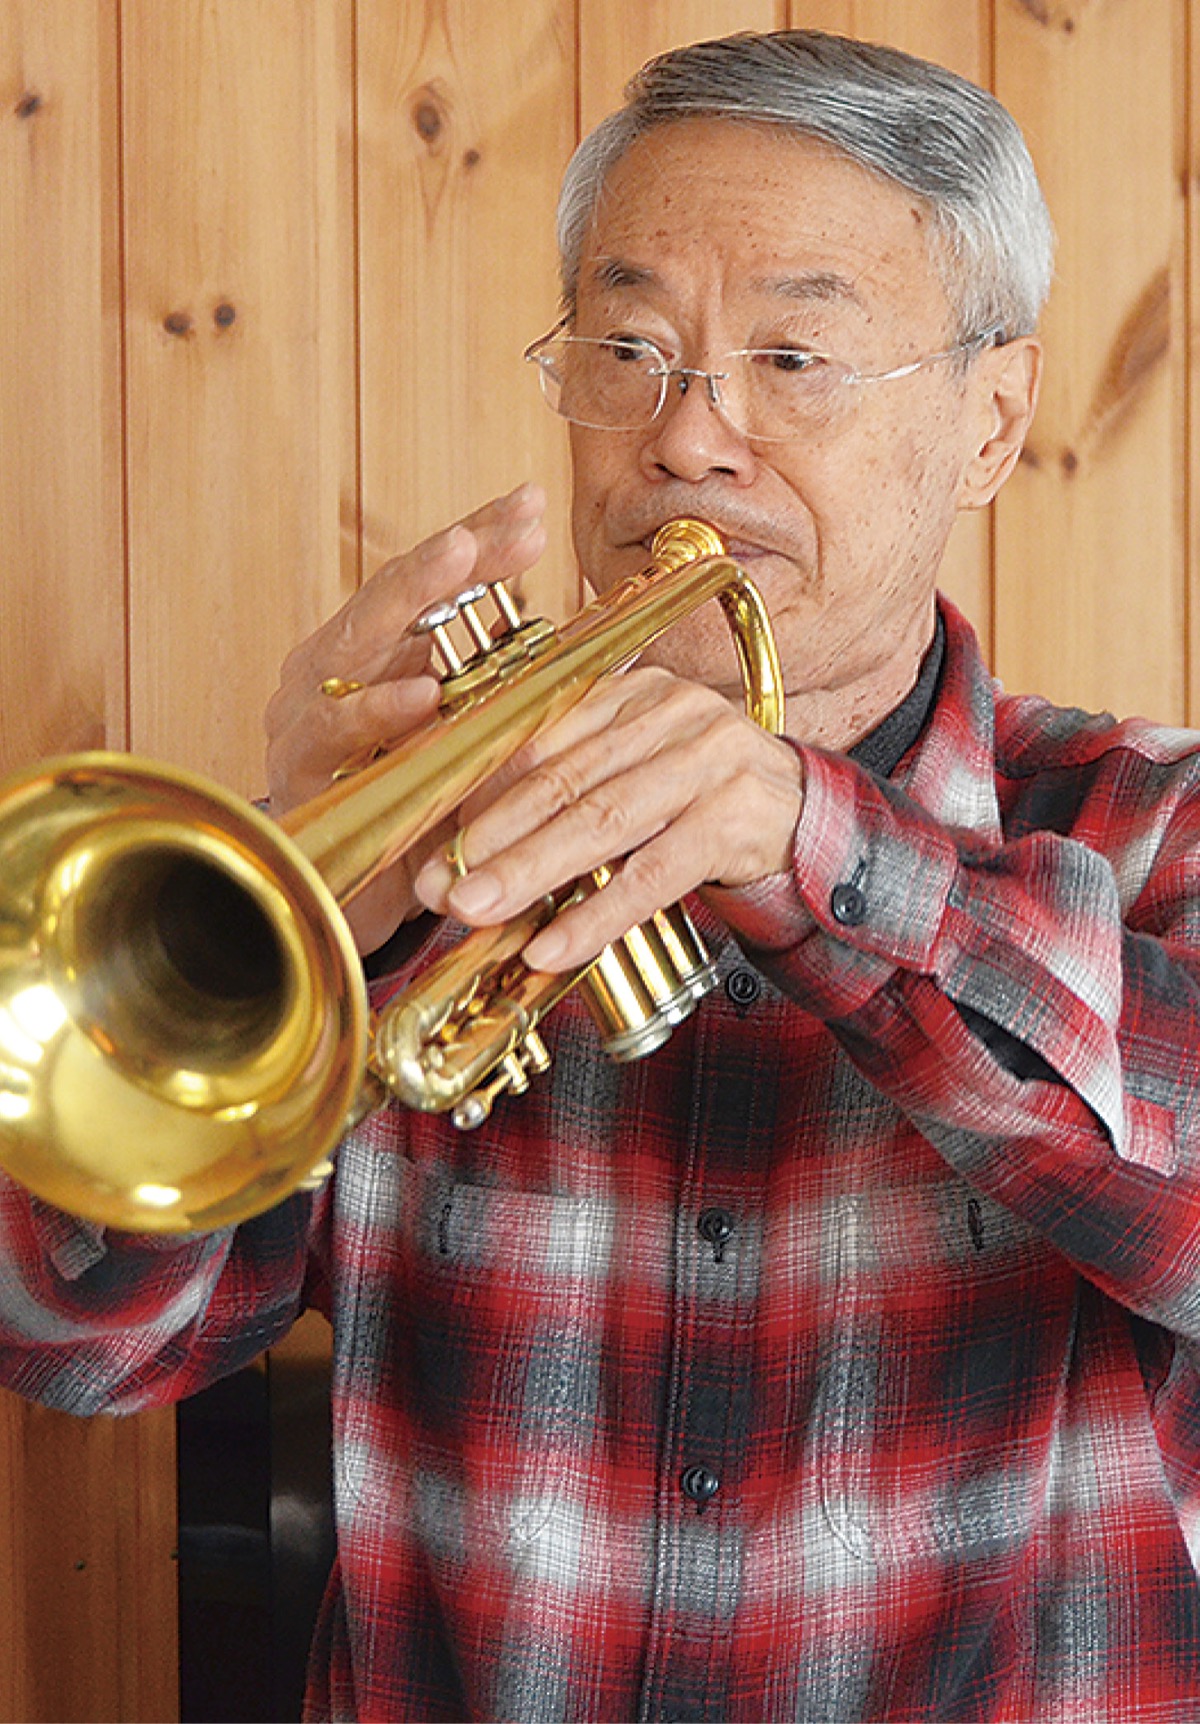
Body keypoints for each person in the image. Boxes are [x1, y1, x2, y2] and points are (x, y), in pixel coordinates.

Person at [3, 27, 1200, 1723]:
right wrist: (308, 918)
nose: (687, 442)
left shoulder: (1144, 829)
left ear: (993, 418)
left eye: (793, 359)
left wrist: (805, 843)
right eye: (627, 348)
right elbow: (78, 1345)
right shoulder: (435, 823)